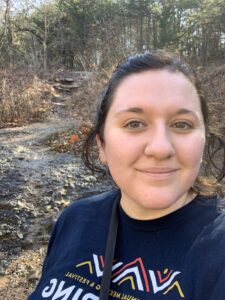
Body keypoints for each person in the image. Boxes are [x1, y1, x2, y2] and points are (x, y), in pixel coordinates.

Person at [28, 50, 225, 300]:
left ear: (204, 140)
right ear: (102, 144)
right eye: (134, 123)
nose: (161, 148)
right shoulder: (74, 220)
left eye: (182, 124)